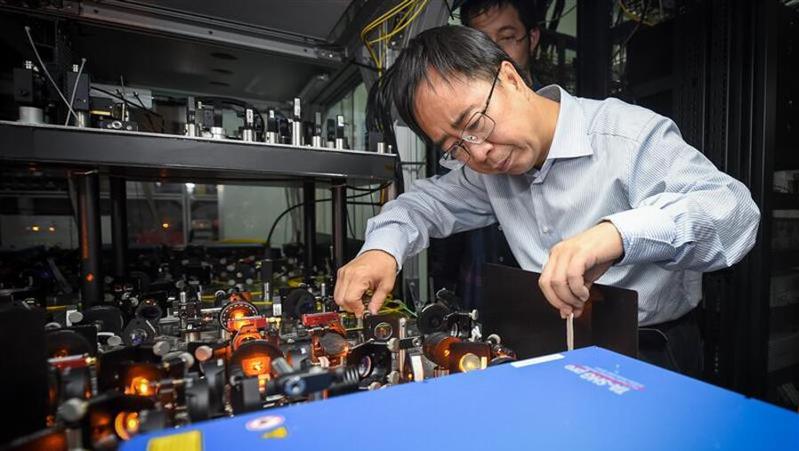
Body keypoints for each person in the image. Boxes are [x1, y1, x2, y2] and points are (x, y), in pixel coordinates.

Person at [334, 26, 760, 375]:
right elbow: (420, 206)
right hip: (548, 344)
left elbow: (733, 212)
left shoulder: (626, 136)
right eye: (456, 147)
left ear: (510, 78)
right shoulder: (488, 171)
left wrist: (615, 235)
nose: (480, 153)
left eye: (475, 123)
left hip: (649, 349)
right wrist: (380, 250)